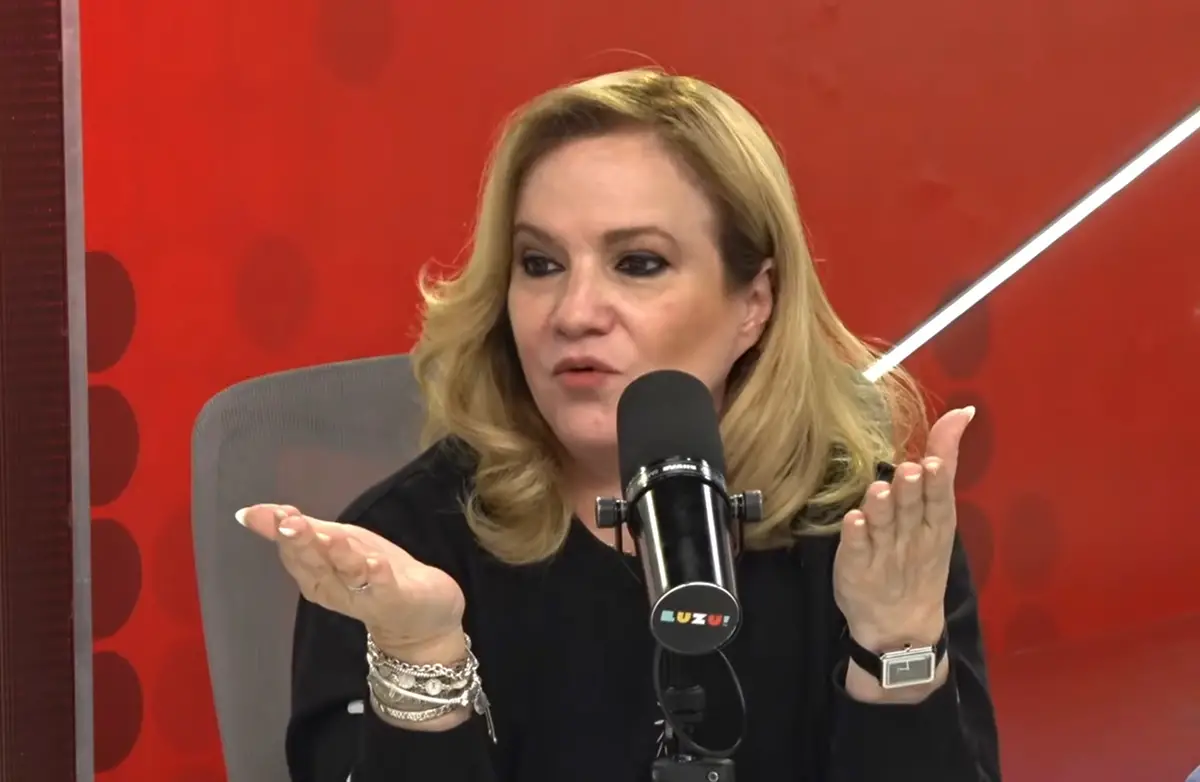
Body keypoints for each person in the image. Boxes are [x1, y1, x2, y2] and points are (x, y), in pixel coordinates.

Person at [239, 67, 1001, 781]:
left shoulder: (872, 535)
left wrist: (895, 653)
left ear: (754, 304)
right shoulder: (398, 554)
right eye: (540, 264)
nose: (574, 313)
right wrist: (421, 658)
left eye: (637, 263)